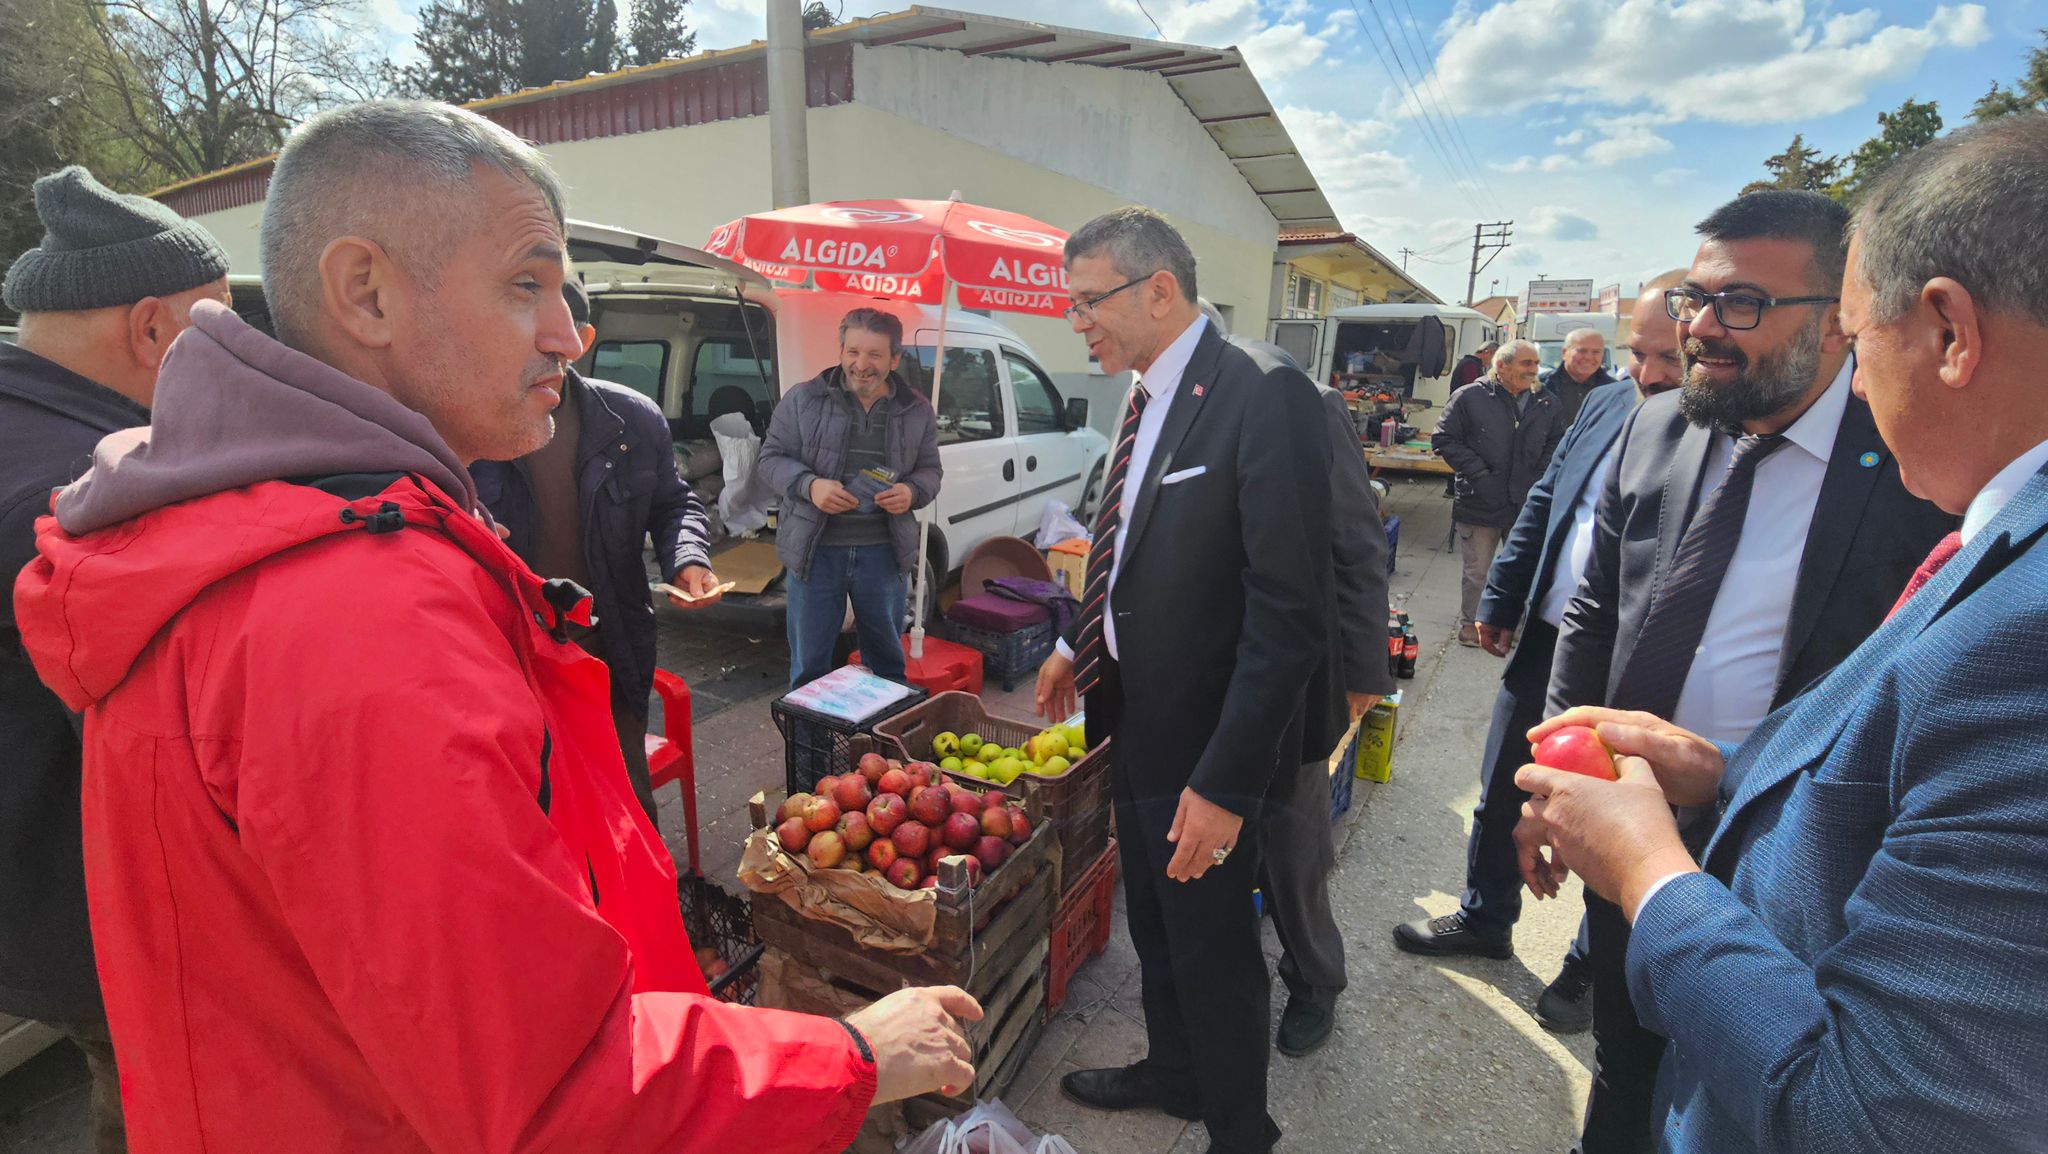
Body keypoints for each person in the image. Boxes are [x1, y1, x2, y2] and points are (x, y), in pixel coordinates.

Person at [12, 100, 979, 1153]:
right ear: (365, 290)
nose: (566, 330)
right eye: (527, 284)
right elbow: (553, 1090)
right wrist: (853, 1052)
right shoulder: (354, 612)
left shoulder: (291, 528)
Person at [1516, 111, 2048, 1154]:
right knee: (1630, 1078)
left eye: (1745, 304)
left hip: (1779, 948)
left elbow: (1875, 1109)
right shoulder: (1659, 424)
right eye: (1691, 300)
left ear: (1945, 332)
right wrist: (1716, 771)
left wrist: (1651, 871)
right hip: (1669, 826)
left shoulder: (1978, 567)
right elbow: (1600, 611)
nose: (1703, 328)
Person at [1034, 207, 1336, 1154]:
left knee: (1211, 945)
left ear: (1158, 289)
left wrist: (1225, 783)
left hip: (1210, 737)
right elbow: (1125, 547)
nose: (1075, 321)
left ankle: (1243, 1130)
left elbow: (1289, 610)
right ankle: (1175, 1072)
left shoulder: (1264, 392)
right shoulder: (1143, 388)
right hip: (1134, 712)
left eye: (1090, 301)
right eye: (1071, 302)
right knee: (1157, 924)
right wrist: (1072, 640)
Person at [0, 165, 230, 1154]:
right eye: (216, 331)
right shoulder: (85, 485)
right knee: (173, 1111)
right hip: (94, 907)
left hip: (26, 896)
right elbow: (164, 746)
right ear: (149, 331)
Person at [1392, 273, 1687, 1035]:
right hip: (1551, 640)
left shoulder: (1717, 429)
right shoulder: (1610, 402)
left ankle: (1589, 964)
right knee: (1501, 786)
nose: (1649, 375)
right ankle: (1486, 918)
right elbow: (1550, 498)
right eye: (1638, 354)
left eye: (1672, 359)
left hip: (1636, 662)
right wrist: (1500, 596)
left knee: (1609, 815)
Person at [1199, 298, 1393, 1057]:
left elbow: (1356, 541)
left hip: (1285, 670)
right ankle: (1226, 973)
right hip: (1201, 666)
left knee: (1291, 835)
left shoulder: (1308, 404)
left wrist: (1365, 666)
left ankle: (1316, 977)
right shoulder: (1164, 408)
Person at [471, 277, 724, 824]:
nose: (536, 346)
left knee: (628, 808)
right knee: (535, 813)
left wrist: (689, 559)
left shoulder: (630, 419)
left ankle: (640, 911)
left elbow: (674, 503)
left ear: (580, 338)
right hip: (511, 658)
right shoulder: (471, 425)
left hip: (610, 650)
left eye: (552, 336)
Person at [758, 308, 941, 689]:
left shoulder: (917, 410)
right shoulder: (802, 399)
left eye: (875, 355)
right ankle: (811, 750)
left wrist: (912, 491)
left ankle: (878, 745)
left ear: (895, 359)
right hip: (816, 552)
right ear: (841, 350)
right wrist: (810, 486)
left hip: (883, 553)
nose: (862, 365)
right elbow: (770, 459)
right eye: (853, 352)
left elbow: (930, 471)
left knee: (887, 667)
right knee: (810, 670)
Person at [1432, 338, 1568, 648]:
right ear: (1501, 366)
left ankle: (1511, 627)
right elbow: (1444, 439)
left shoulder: (1546, 400)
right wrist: (1479, 474)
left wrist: (1538, 477)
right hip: (1481, 498)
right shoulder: (1470, 397)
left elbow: (1557, 443)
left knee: (1521, 569)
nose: (1534, 370)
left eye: (1535, 363)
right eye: (1526, 364)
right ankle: (1471, 626)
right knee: (1477, 571)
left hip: (1526, 501)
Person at [1539, 328, 1615, 423]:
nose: (1588, 357)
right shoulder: (1542, 386)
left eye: (1596, 352)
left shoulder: (1614, 390)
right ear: (1564, 353)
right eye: (1582, 351)